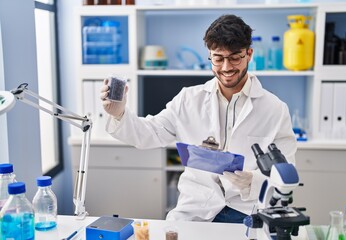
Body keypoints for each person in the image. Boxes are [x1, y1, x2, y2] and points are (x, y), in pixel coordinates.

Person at [100, 14, 297, 224]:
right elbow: (148, 134)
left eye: (235, 57)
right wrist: (119, 113)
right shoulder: (188, 99)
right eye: (218, 58)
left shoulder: (274, 109)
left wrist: (253, 181)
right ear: (210, 56)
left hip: (247, 210)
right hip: (196, 210)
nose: (226, 67)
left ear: (249, 54)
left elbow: (287, 172)